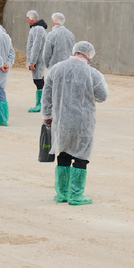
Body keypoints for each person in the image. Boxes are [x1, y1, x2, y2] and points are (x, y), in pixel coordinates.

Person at [43, 41, 108, 205]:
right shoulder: (93, 73)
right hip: (83, 121)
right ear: (89, 54)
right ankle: (76, 194)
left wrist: (47, 115)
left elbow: (47, 95)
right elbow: (102, 96)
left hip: (61, 120)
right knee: (81, 155)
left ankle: (62, 193)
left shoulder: (56, 69)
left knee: (63, 152)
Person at [25, 11, 49, 113]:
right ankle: (42, 103)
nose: (26, 20)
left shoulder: (38, 29)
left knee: (38, 81)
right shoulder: (36, 28)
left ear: (32, 18)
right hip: (36, 59)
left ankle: (41, 104)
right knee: (38, 80)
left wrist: (32, 61)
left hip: (37, 60)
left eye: (27, 18)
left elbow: (36, 46)